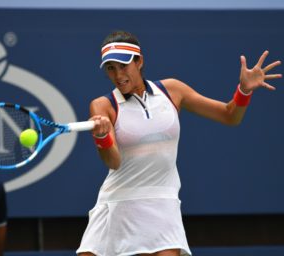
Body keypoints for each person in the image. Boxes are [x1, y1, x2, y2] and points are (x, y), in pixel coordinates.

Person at [76, 30, 282, 256]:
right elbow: (113, 162)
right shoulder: (103, 105)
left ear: (139, 61)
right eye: (111, 68)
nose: (118, 74)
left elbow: (229, 116)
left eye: (123, 65)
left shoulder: (172, 90)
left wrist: (243, 90)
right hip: (118, 204)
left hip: (163, 203)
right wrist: (102, 136)